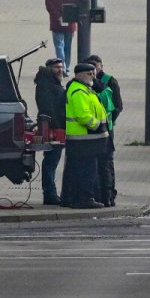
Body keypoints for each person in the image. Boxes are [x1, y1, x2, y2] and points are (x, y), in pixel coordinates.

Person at [61, 63, 107, 209]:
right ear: (80, 75)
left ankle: (79, 198)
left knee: (84, 169)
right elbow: (83, 115)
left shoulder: (85, 89)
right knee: (86, 171)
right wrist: (97, 125)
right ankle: (84, 199)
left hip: (85, 140)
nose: (93, 76)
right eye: (89, 73)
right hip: (83, 139)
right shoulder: (78, 91)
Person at [85, 54, 123, 207]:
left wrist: (109, 122)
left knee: (106, 162)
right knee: (95, 163)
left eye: (95, 66)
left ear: (101, 66)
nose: (93, 69)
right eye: (90, 67)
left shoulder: (109, 81)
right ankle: (97, 194)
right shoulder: (86, 82)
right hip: (93, 129)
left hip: (106, 130)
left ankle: (108, 195)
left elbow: (118, 106)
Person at [31, 58, 67, 205]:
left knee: (52, 161)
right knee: (51, 161)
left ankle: (51, 193)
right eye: (57, 67)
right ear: (49, 68)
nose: (60, 70)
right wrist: (57, 127)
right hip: (52, 128)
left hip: (55, 127)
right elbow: (47, 107)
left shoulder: (51, 82)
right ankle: (50, 194)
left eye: (61, 67)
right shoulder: (46, 84)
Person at [44, 0, 79, 65]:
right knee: (68, 46)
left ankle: (61, 66)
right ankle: (66, 67)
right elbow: (78, 5)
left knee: (59, 45)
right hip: (70, 23)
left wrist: (58, 16)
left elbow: (49, 5)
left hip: (56, 23)